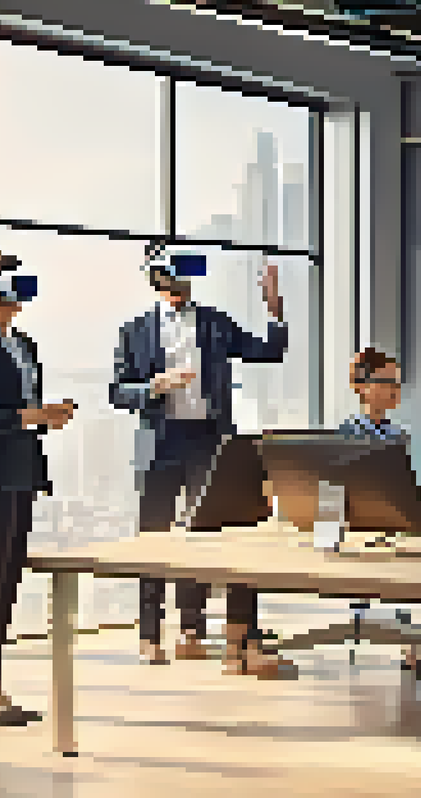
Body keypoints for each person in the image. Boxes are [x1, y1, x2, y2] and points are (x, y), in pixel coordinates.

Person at [111, 246, 292, 677]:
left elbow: (267, 351)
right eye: (174, 275)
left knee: (208, 535)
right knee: (152, 542)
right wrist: (155, 386)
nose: (182, 283)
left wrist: (275, 311)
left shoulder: (214, 322)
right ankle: (150, 634)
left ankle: (191, 630)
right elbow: (118, 391)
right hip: (159, 442)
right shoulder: (134, 330)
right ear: (157, 278)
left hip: (208, 442)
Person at [0, 251, 72, 726]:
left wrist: (46, 417)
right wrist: (27, 417)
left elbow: (24, 408)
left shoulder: (23, 343)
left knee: (9, 578)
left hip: (23, 470)